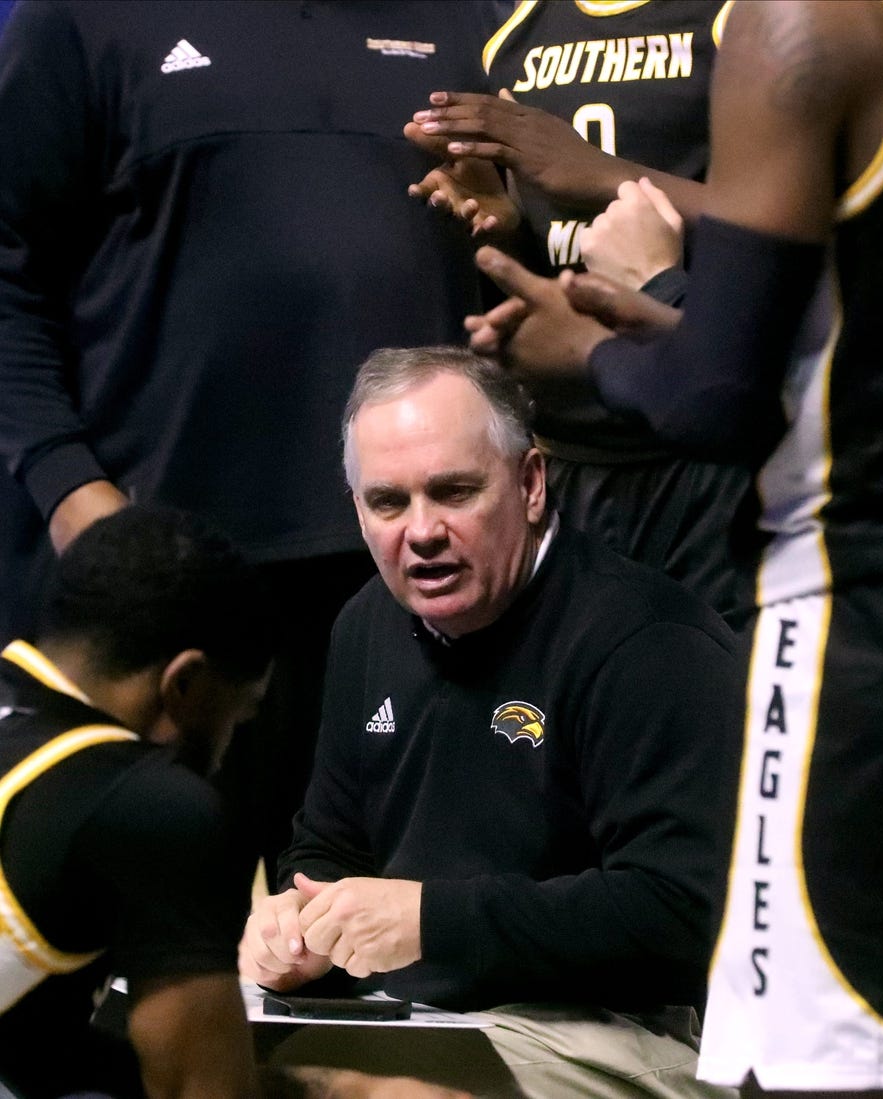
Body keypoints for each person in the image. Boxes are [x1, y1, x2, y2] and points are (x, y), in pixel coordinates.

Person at [462, 2, 883, 1094]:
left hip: (846, 597)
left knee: (818, 1056)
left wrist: (598, 345)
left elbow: (717, 399)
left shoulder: (799, 24)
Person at [0, 0, 509, 887]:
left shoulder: (474, 16)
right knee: (139, 938)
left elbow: (520, 246)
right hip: (172, 580)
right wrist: (69, 485)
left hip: (410, 573)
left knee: (384, 951)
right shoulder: (78, 17)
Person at [240, 345, 742, 1099]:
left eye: (453, 492)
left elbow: (679, 908)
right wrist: (298, 923)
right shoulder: (364, 627)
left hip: (621, 1027)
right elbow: (329, 840)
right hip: (414, 1015)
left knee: (354, 1094)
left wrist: (434, 920)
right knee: (196, 1059)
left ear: (531, 483)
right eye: (388, 502)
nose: (422, 531)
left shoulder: (645, 640)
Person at [403, 0, 754, 624]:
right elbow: (538, 253)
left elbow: (794, 229)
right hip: (564, 454)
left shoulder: (738, 18)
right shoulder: (513, 30)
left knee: (712, 697)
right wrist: (499, 225)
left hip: (701, 457)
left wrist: (601, 174)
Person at [0, 506, 279, 1098]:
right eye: (239, 715)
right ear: (184, 685)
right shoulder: (149, 805)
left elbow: (34, 1051)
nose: (228, 752)